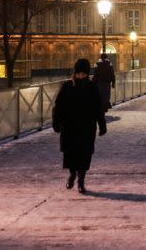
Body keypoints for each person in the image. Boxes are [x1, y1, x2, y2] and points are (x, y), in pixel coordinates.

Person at [53, 58, 107, 194]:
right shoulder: (67, 87)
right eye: (79, 73)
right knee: (71, 153)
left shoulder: (92, 87)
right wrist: (56, 122)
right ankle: (72, 174)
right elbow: (58, 107)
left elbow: (98, 108)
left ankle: (81, 181)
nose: (81, 76)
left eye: (83, 73)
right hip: (70, 126)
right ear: (75, 73)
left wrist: (102, 124)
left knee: (85, 154)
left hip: (86, 126)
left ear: (87, 74)